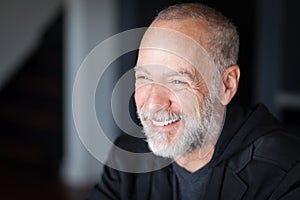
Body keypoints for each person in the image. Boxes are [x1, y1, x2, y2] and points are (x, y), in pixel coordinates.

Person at [88, 3, 300, 200]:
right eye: (144, 78)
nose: (153, 103)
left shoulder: (286, 172)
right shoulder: (126, 157)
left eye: (177, 81)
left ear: (226, 85)